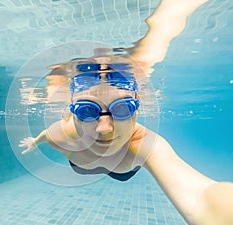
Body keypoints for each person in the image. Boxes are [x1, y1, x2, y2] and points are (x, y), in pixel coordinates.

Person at [19, 0, 233, 224]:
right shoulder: (63, 132)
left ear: (138, 108)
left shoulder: (143, 145)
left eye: (122, 109)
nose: (104, 129)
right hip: (82, 166)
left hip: (123, 170)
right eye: (87, 111)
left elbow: (201, 196)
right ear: (71, 112)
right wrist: (34, 141)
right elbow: (46, 135)